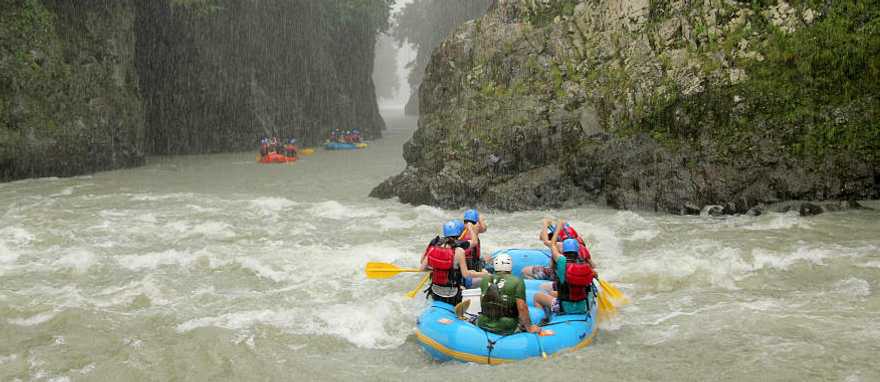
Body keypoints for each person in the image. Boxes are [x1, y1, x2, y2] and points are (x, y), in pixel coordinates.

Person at [533, 221, 595, 323]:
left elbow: (552, 245)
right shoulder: (586, 267)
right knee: (552, 293)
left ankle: (543, 320)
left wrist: (554, 228)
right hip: (582, 307)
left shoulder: (562, 262)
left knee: (537, 297)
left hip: (565, 308)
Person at [421, 220, 490, 307]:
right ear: (459, 233)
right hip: (453, 295)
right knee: (466, 287)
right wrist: (483, 274)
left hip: (435, 291)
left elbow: (422, 268)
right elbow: (465, 274)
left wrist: (438, 268)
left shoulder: (434, 247)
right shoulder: (459, 250)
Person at [475, 253, 540, 334]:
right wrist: (529, 327)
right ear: (510, 266)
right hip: (506, 326)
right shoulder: (517, 281)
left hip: (483, 323)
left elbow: (483, 302)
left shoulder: (485, 279)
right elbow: (522, 308)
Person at [522, 219, 593, 280]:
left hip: (560, 276)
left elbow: (544, 240)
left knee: (525, 271)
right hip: (575, 274)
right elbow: (592, 265)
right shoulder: (582, 246)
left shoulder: (560, 245)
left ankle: (536, 286)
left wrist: (545, 224)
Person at [461, 209, 488, 288]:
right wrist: (482, 273)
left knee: (488, 259)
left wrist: (478, 218)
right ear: (476, 224)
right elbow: (466, 270)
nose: (481, 225)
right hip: (468, 276)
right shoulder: (468, 241)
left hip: (474, 268)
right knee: (491, 275)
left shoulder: (469, 231)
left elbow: (484, 228)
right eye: (479, 223)